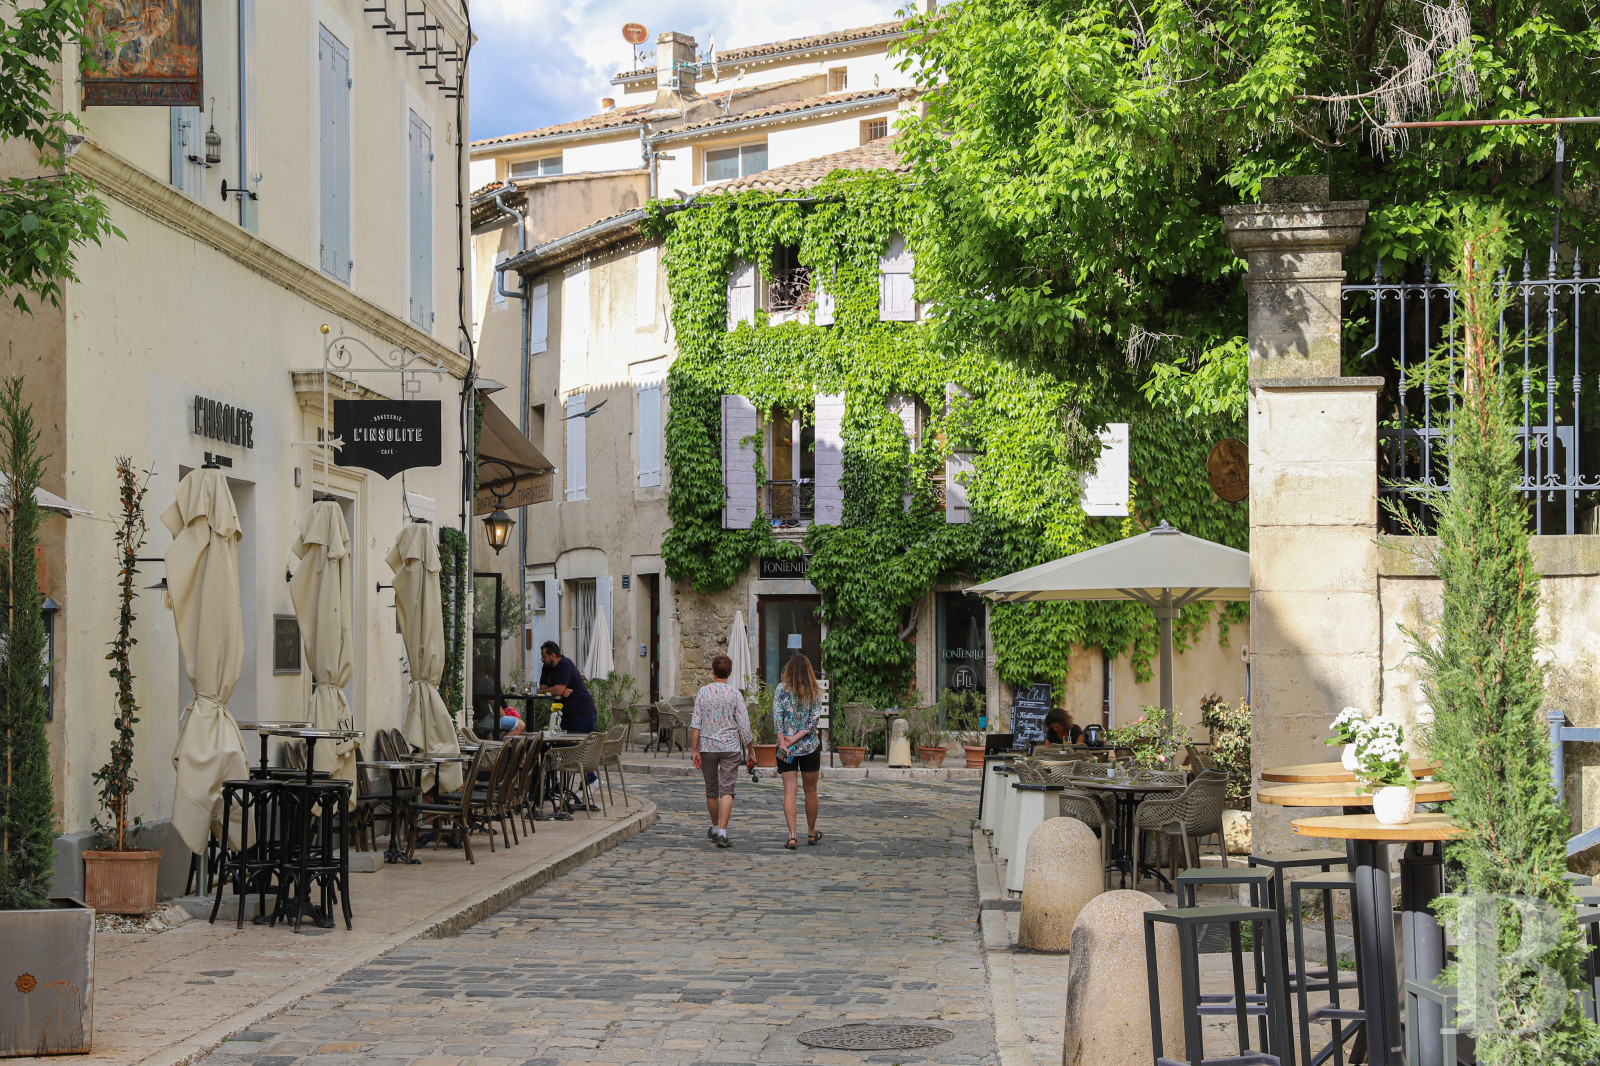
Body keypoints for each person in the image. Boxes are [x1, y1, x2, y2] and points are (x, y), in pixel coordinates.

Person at [690, 653, 754, 848]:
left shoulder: (703, 692)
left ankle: (715, 827)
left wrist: (694, 750)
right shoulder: (735, 694)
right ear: (730, 672)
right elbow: (744, 725)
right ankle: (724, 832)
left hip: (708, 746)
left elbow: (696, 724)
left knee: (711, 790)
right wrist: (750, 749)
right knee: (727, 789)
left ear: (712, 671)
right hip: (730, 746)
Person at [774, 654, 824, 849]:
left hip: (786, 749)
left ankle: (792, 835)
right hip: (809, 746)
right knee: (811, 791)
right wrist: (796, 738)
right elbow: (813, 723)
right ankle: (811, 833)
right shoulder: (815, 691)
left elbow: (777, 717)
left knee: (789, 791)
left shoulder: (781, 690)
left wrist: (783, 741)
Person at [538, 640, 597, 734]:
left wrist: (554, 690)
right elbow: (542, 688)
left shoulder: (565, 665)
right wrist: (556, 689)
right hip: (565, 713)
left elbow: (556, 691)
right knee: (562, 744)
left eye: (544, 656)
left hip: (581, 712)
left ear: (552, 655)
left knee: (579, 745)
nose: (542, 659)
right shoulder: (546, 667)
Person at [472, 657, 524, 737]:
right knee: (520, 724)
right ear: (488, 666)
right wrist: (505, 715)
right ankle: (503, 747)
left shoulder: (472, 679)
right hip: (484, 720)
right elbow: (497, 709)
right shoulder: (487, 683)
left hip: (475, 718)